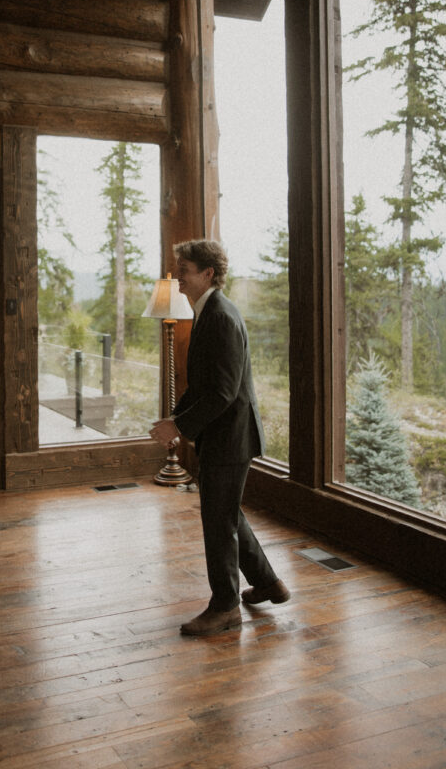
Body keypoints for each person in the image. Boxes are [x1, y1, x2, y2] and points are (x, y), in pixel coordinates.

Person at [150, 239, 290, 636]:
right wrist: (175, 418)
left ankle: (226, 607)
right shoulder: (207, 311)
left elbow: (224, 392)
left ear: (208, 273)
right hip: (223, 435)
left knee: (219, 519)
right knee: (225, 512)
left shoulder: (221, 317)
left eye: (185, 269)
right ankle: (267, 583)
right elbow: (203, 385)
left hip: (231, 438)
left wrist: (178, 427)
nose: (178, 276)